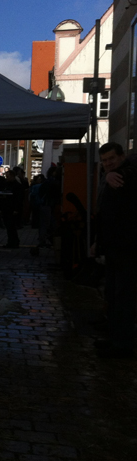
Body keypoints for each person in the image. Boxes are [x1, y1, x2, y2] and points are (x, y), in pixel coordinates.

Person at [91, 142, 137, 358]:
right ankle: (116, 337)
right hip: (115, 247)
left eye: (111, 159)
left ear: (122, 156)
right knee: (115, 294)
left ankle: (123, 344)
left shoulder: (126, 175)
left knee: (124, 296)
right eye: (104, 160)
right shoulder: (113, 175)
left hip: (126, 248)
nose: (108, 163)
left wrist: (115, 174)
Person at [0, 169, 23, 248]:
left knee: (11, 226)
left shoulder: (16, 186)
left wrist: (16, 209)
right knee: (9, 227)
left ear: (12, 176)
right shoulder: (7, 184)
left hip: (11, 208)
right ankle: (12, 242)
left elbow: (19, 199)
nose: (7, 178)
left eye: (8, 176)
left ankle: (13, 242)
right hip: (7, 208)